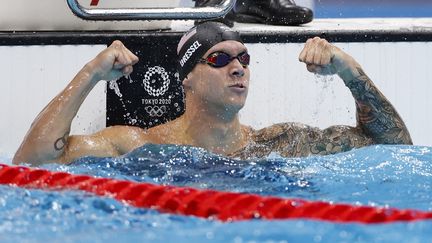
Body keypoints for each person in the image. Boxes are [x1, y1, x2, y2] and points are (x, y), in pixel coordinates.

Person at [13, 22, 412, 165]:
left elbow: (394, 145)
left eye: (244, 58)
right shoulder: (137, 144)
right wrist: (90, 73)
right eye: (218, 60)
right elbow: (32, 160)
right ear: (187, 78)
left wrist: (349, 70)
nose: (238, 67)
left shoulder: (277, 143)